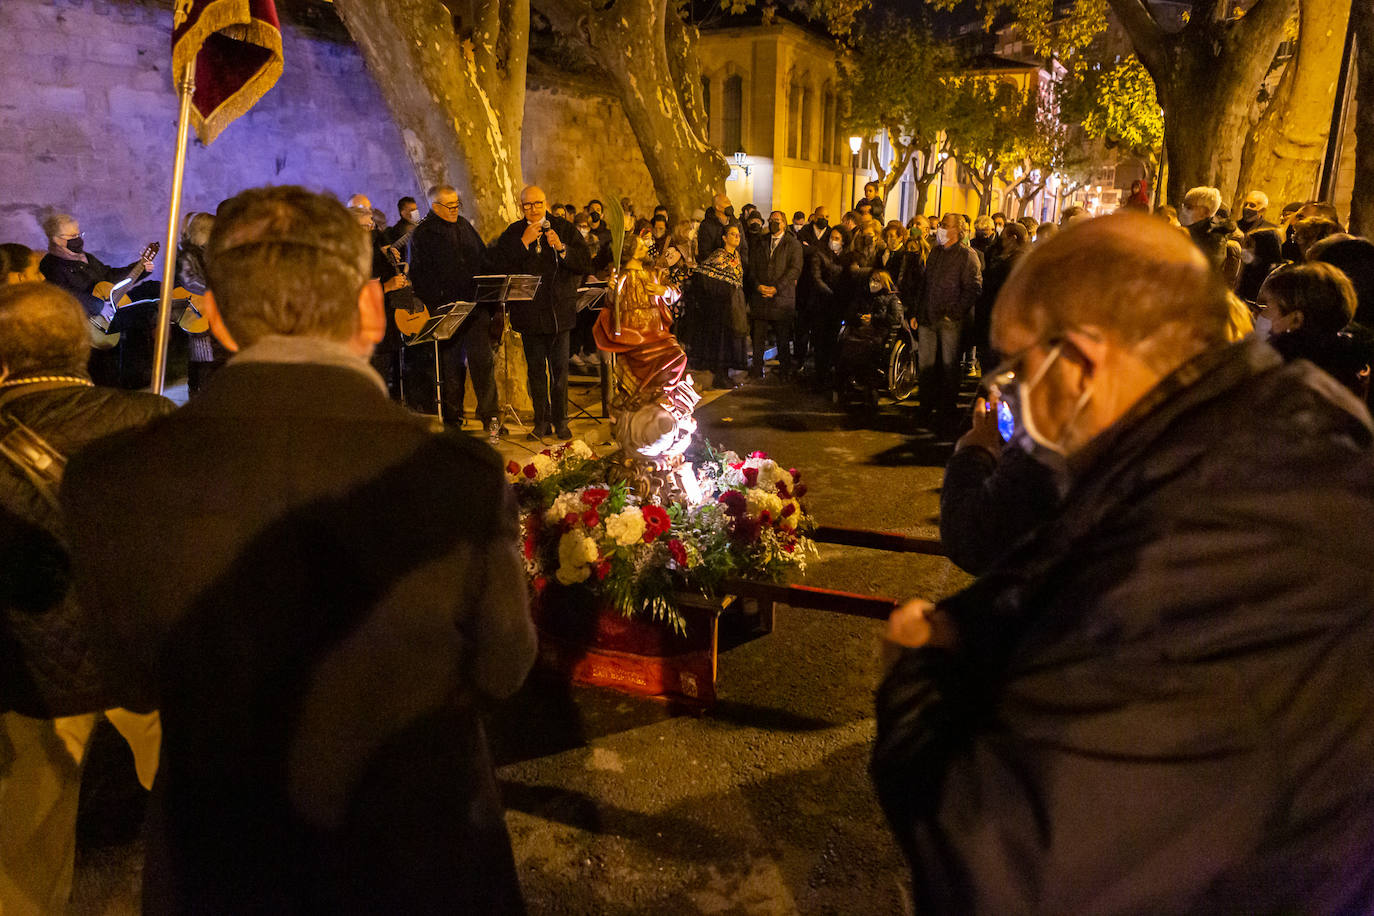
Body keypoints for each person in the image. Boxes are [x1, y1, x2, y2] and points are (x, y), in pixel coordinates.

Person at [873, 211, 1374, 913]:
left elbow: (1008, 869)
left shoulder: (1214, 544)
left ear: (1080, 362)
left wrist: (914, 684)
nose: (1014, 394)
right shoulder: (1276, 423)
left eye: (1019, 368)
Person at [61, 186, 537, 914]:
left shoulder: (112, 476)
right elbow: (503, 665)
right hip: (421, 858)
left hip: (217, 864)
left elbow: (129, 678)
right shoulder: (454, 475)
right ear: (373, 312)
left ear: (214, 318)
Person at [0, 282, 172, 916]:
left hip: (35, 681)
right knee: (194, 822)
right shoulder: (152, 421)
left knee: (24, 863)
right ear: (84, 351)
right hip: (144, 663)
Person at [491, 185, 592, 440]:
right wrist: (524, 242)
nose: (533, 209)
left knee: (560, 373)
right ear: (521, 206)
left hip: (560, 314)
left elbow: (583, 262)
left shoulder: (564, 228)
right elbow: (500, 265)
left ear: (545, 202)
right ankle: (541, 421)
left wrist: (561, 248)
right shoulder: (514, 233)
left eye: (538, 204)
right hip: (529, 315)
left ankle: (561, 421)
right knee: (535, 372)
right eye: (527, 205)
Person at [408, 184, 497, 427]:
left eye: (457, 204)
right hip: (446, 309)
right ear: (435, 207)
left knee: (483, 361)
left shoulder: (464, 226)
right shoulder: (423, 235)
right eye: (449, 206)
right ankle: (452, 417)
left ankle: (490, 415)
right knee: (451, 366)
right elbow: (419, 275)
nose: (454, 210)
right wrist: (438, 302)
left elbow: (482, 259)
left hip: (475, 306)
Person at [39, 212, 157, 388]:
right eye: (72, 236)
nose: (78, 239)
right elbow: (65, 294)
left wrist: (140, 268)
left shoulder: (86, 258)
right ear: (56, 240)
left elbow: (108, 276)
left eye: (79, 234)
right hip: (83, 331)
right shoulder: (51, 265)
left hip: (105, 325)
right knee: (99, 376)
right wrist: (99, 306)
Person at [1258, 262, 1370, 398]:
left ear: (1296, 320)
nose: (1257, 315)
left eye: (1264, 307)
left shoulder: (1281, 376)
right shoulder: (1352, 363)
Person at [913, 213, 982, 428]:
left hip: (950, 321)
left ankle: (946, 410)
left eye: (945, 225)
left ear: (957, 230)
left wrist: (954, 312)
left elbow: (974, 288)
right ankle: (925, 406)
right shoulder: (935, 252)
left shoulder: (967, 255)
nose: (940, 228)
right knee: (926, 366)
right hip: (928, 317)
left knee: (949, 366)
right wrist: (917, 312)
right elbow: (924, 285)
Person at [686, 223, 747, 389]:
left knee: (731, 340)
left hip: (734, 305)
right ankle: (719, 376)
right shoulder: (719, 256)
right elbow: (704, 276)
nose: (737, 237)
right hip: (721, 307)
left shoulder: (736, 257)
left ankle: (726, 374)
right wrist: (719, 294)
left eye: (738, 235)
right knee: (721, 341)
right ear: (724, 238)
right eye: (733, 234)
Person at [746, 210, 803, 379]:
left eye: (777, 220)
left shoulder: (792, 244)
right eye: (771, 220)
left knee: (782, 337)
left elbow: (795, 269)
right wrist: (758, 286)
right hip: (761, 296)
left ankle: (784, 370)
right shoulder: (760, 242)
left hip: (782, 297)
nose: (773, 223)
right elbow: (752, 267)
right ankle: (757, 368)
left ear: (784, 223)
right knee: (758, 336)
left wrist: (776, 288)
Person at [176, 211, 227, 396]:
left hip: (212, 315)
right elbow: (190, 280)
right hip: (199, 316)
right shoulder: (188, 255)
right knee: (204, 363)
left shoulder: (207, 253)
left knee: (212, 362)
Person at [972, 221, 1029, 367]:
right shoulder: (1014, 257)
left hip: (999, 321)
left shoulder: (1015, 261)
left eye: (1003, 238)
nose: (1000, 241)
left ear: (1013, 238)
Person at [809, 227, 848, 387]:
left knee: (834, 342)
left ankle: (832, 376)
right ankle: (820, 376)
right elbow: (816, 278)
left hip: (839, 307)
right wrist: (832, 293)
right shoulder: (820, 254)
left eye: (837, 238)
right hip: (822, 305)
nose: (833, 241)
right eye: (832, 237)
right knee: (820, 343)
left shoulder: (847, 257)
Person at [1233, 227, 1286, 304]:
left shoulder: (1274, 275)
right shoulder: (1248, 269)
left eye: (1249, 245)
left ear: (1262, 249)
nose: (1243, 248)